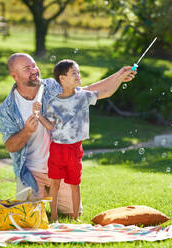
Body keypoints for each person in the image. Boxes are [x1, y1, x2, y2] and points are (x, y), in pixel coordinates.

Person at [0, 53, 136, 216]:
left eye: (34, 65)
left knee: (73, 213)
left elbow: (86, 91)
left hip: (60, 166)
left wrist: (119, 76)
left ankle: (49, 194)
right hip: (32, 173)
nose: (34, 70)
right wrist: (26, 131)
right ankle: (40, 192)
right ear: (14, 75)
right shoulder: (8, 108)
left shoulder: (51, 87)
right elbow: (10, 146)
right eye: (27, 68)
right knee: (28, 217)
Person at [33, 59, 136, 221]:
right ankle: (53, 217)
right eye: (74, 73)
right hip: (57, 149)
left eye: (78, 72)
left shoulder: (83, 96)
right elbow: (51, 126)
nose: (78, 76)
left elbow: (107, 92)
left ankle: (75, 218)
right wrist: (38, 116)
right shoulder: (53, 103)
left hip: (74, 149)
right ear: (62, 78)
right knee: (55, 184)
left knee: (75, 184)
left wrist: (120, 77)